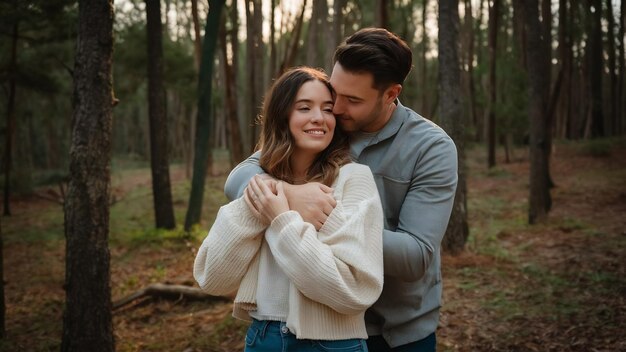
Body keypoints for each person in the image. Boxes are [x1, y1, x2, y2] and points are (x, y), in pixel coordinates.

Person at [224, 28, 459, 351]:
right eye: (336, 92)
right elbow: (239, 177)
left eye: (353, 100)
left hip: (397, 330)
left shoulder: (430, 148)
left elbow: (416, 255)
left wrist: (333, 220)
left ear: (391, 94)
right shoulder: (324, 124)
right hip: (320, 324)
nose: (335, 108)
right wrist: (292, 196)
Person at [194, 67, 384, 352]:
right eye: (304, 108)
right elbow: (212, 277)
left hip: (334, 345)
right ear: (283, 116)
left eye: (328, 109)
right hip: (263, 338)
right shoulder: (260, 184)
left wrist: (282, 220)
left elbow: (355, 290)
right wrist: (269, 199)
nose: (318, 118)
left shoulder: (353, 179)